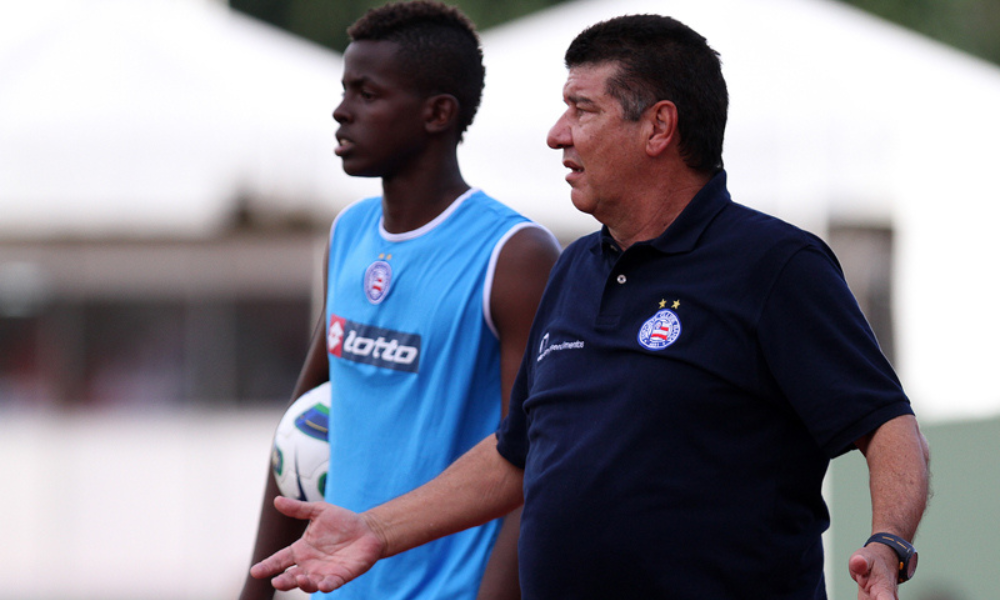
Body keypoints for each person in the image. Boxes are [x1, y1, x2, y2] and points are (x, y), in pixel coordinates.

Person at [249, 14, 931, 600]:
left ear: (658, 126)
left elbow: (887, 426)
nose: (556, 134)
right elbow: (517, 453)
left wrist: (888, 542)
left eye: (582, 109)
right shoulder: (576, 266)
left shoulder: (775, 265)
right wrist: (376, 528)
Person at [238, 2, 561, 600]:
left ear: (438, 113)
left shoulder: (514, 255)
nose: (341, 111)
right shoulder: (349, 233)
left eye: (366, 93)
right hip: (338, 584)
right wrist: (255, 590)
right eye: (344, 89)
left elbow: (537, 460)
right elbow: (300, 425)